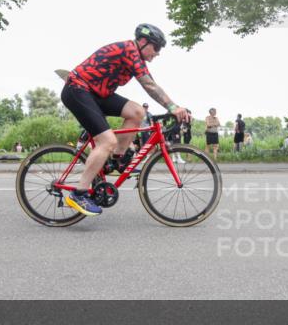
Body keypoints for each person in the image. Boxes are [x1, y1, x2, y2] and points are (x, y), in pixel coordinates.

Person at [58, 23, 190, 216]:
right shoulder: (129, 50)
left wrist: (173, 106)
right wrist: (172, 107)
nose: (158, 53)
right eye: (157, 47)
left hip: (96, 93)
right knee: (107, 140)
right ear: (143, 42)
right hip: (78, 90)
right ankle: (79, 193)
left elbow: (152, 83)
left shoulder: (137, 57)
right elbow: (149, 86)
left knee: (137, 112)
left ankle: (117, 160)